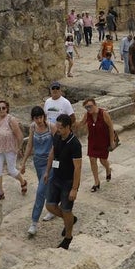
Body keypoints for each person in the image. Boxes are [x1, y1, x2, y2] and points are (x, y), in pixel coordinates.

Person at [43, 114, 82, 249]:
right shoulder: (57, 137)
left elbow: (78, 167)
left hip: (68, 181)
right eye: (57, 126)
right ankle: (70, 219)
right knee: (50, 206)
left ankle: (68, 237)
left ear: (68, 127)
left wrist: (75, 188)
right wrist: (47, 171)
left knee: (66, 209)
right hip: (56, 177)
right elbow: (52, 153)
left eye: (60, 127)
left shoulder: (75, 144)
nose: (57, 129)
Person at [20, 105, 56, 236]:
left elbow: (56, 145)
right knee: (46, 189)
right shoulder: (33, 127)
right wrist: (23, 163)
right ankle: (53, 209)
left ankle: (34, 223)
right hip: (37, 162)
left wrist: (49, 167)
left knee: (40, 191)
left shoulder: (51, 127)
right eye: (36, 118)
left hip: (49, 162)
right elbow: (30, 145)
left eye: (40, 117)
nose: (39, 120)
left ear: (44, 116)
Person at [0, 100, 27, 199]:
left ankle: (23, 182)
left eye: (4, 108)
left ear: (7, 108)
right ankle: (1, 192)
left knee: (11, 170)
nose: (1, 110)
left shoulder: (11, 120)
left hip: (10, 149)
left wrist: (19, 148)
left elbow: (20, 136)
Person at [82, 98, 117, 192]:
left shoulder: (104, 114)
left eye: (90, 106)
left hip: (103, 141)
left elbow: (110, 127)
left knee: (103, 160)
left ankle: (108, 169)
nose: (88, 109)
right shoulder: (87, 115)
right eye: (86, 107)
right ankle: (96, 182)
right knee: (92, 160)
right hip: (92, 141)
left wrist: (112, 141)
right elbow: (81, 124)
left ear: (95, 105)